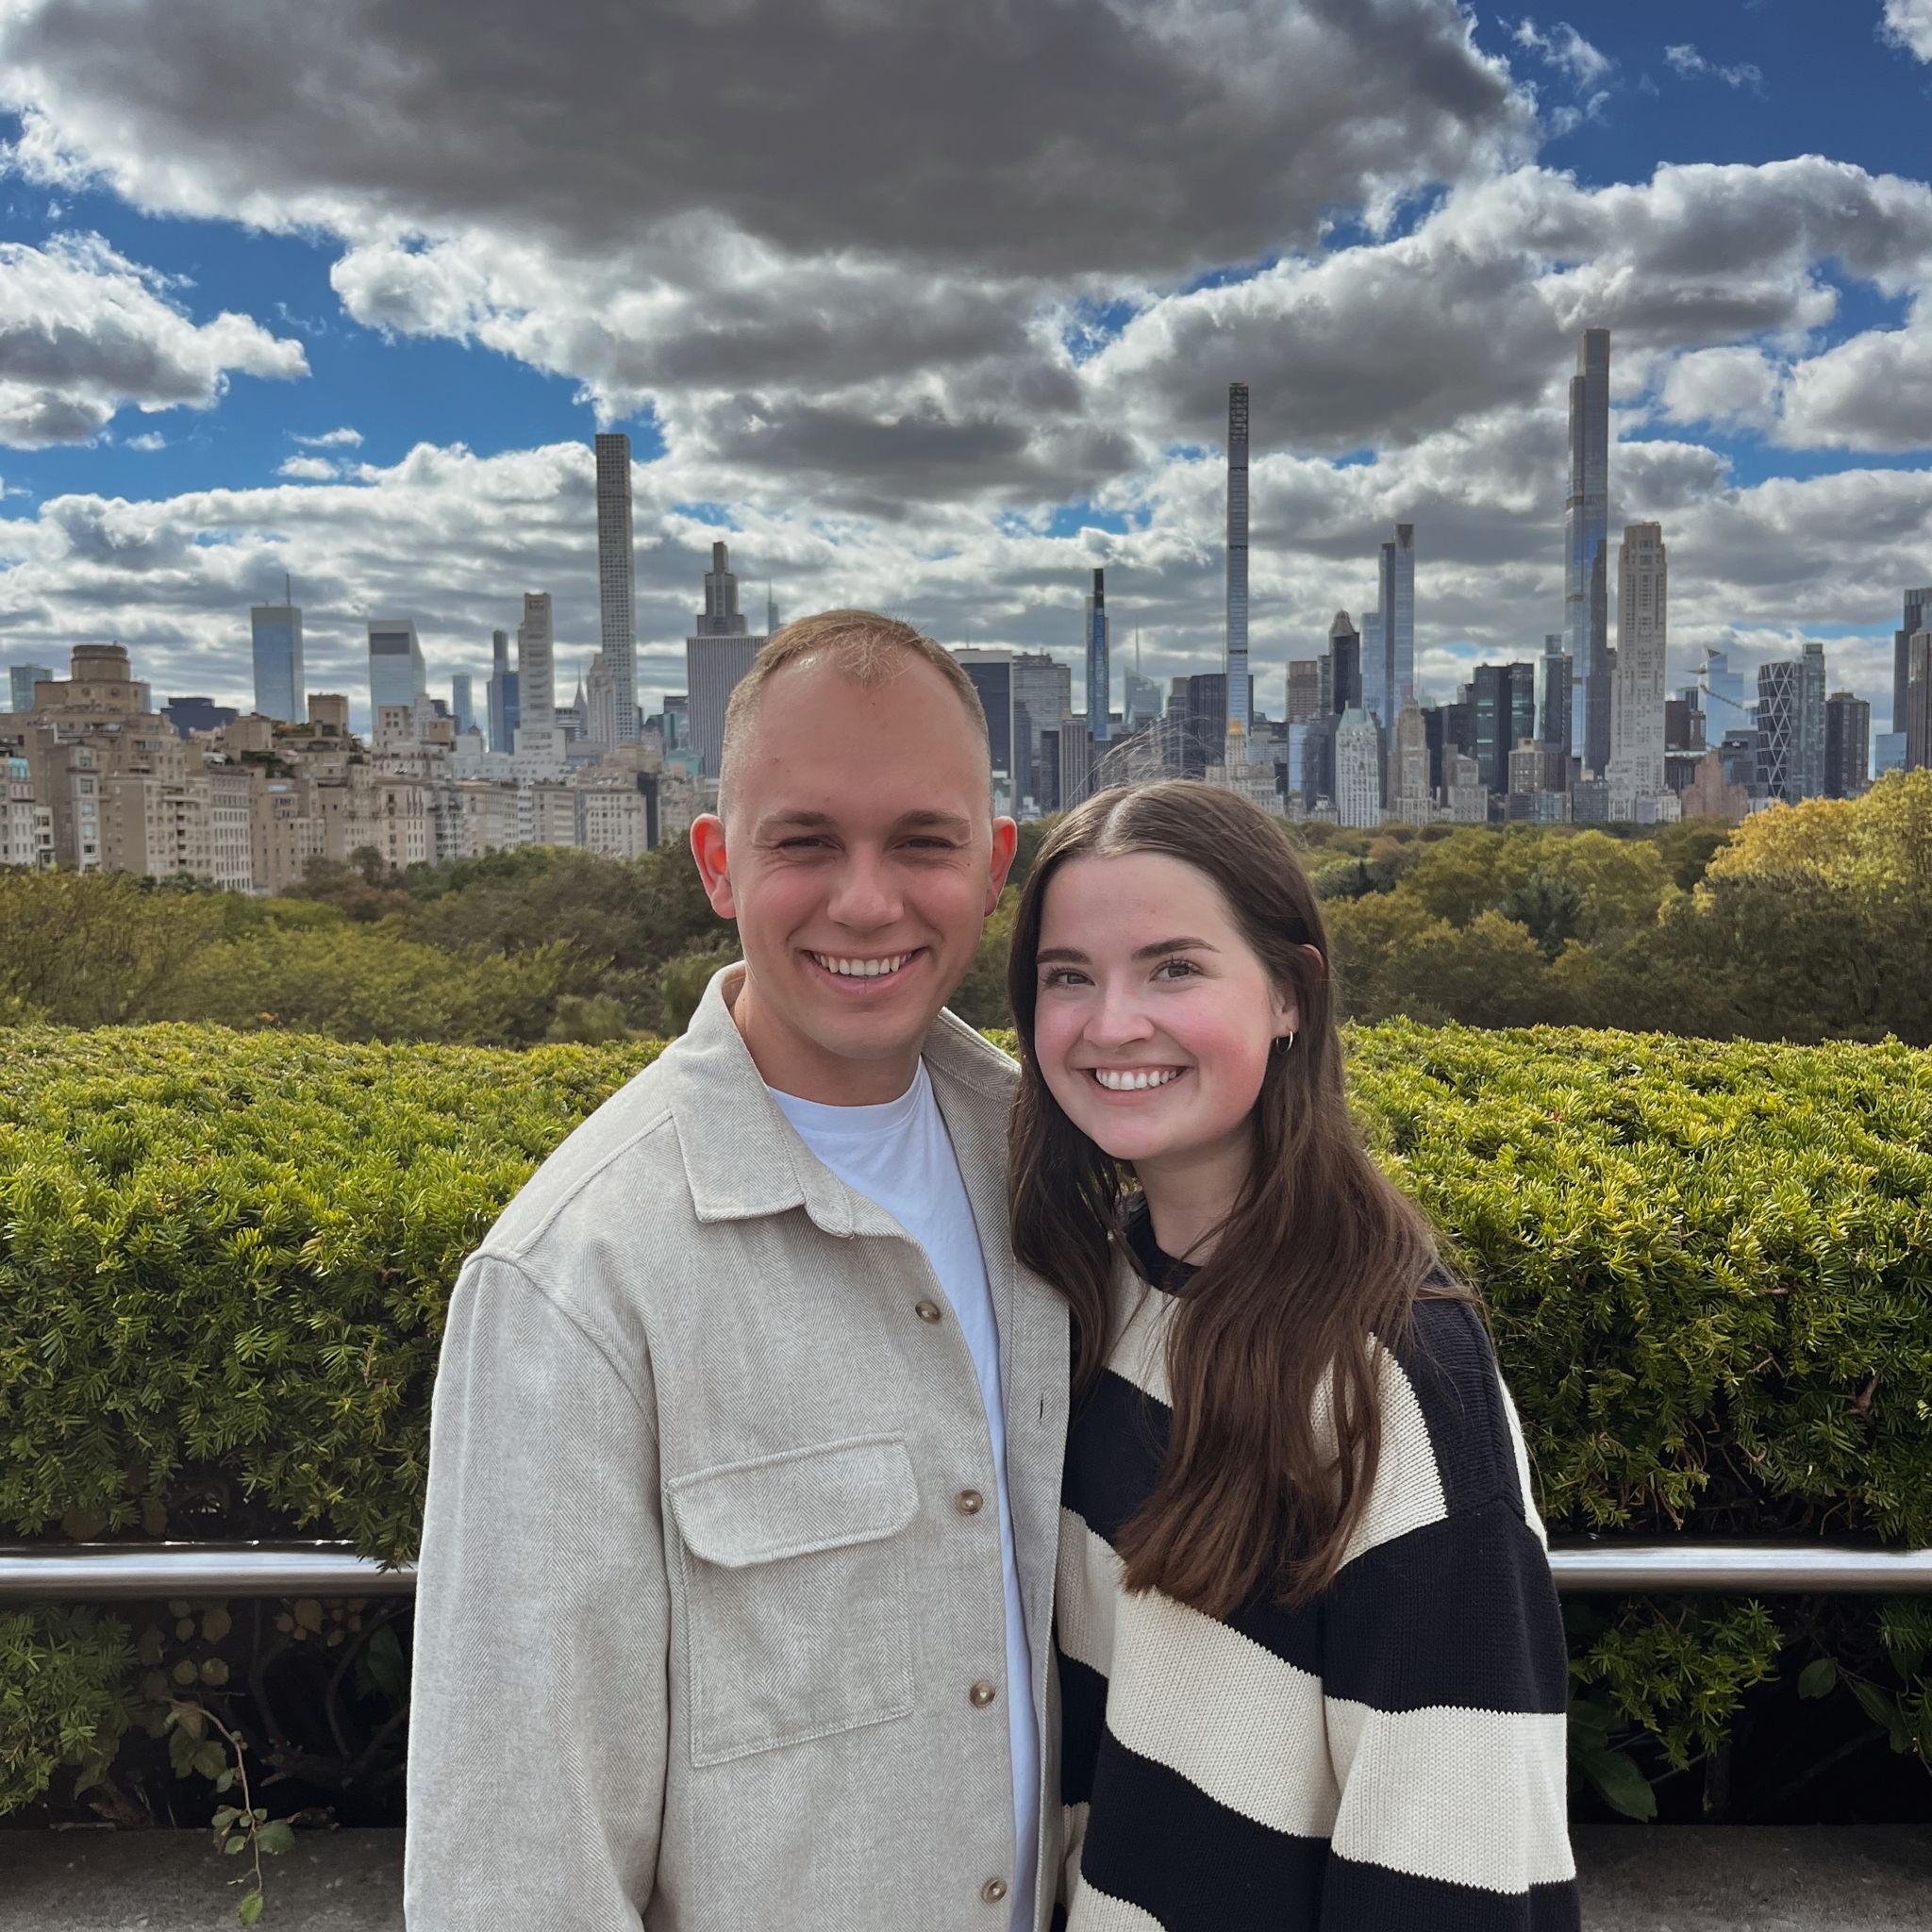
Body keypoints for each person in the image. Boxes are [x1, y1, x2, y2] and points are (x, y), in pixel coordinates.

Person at [405, 611, 1070, 1931]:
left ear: (995, 866)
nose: (866, 900)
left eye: (922, 842)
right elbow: (516, 1860)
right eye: (805, 841)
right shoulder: (576, 1277)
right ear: (717, 863)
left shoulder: (1052, 1173)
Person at [1007, 782, 1579, 1932]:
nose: (1110, 1022)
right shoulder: (1089, 1290)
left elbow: (1455, 1862)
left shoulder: (1392, 1373)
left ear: (1288, 994)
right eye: (1067, 974)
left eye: (1173, 967)